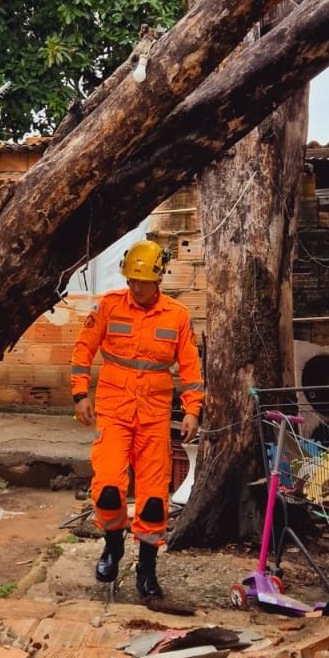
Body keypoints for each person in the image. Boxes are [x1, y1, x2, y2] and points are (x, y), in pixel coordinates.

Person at [70, 239, 203, 599]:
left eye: (141, 282)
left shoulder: (176, 316)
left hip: (154, 417)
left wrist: (192, 409)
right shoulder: (110, 307)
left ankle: (147, 567)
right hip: (114, 411)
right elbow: (83, 349)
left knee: (154, 498)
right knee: (109, 488)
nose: (135, 287)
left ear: (158, 280)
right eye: (130, 280)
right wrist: (80, 393)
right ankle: (112, 548)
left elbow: (190, 367)